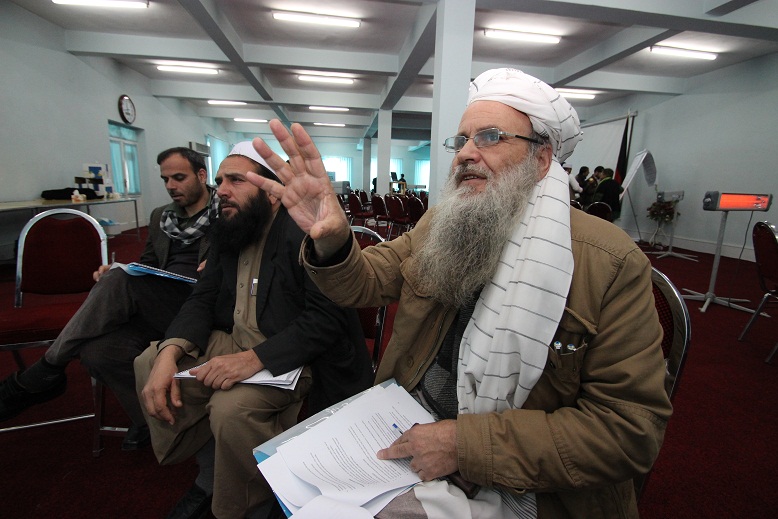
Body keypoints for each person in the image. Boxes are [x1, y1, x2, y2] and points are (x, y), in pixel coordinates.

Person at [248, 68, 672, 518]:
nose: (466, 153)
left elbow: (630, 431)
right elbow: (366, 281)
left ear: (542, 159)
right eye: (462, 140)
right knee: (295, 481)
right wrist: (333, 239)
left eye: (490, 137)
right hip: (406, 423)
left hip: (521, 480)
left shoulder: (610, 262)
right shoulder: (442, 223)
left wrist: (463, 445)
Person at [135, 142, 373, 519]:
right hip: (239, 342)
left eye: (236, 180)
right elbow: (202, 297)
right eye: (219, 181)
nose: (222, 190)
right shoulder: (232, 228)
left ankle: (251, 504)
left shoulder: (303, 233)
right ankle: (210, 474)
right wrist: (170, 351)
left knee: (231, 410)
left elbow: (325, 321)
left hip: (299, 356)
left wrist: (253, 360)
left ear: (272, 192)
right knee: (151, 361)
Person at [0, 147, 216, 450]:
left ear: (201, 175)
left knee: (118, 281)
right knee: (98, 351)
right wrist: (125, 270)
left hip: (200, 304)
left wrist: (216, 266)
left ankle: (46, 369)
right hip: (160, 303)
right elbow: (149, 263)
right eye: (165, 179)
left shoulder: (226, 212)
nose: (170, 186)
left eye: (179, 178)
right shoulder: (161, 216)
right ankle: (149, 418)